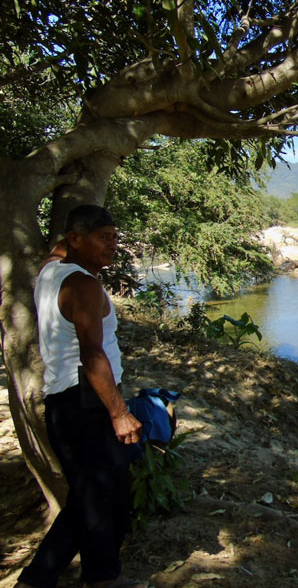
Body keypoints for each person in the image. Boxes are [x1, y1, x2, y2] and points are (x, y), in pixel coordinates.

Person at [16, 205, 146, 588]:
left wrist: (76, 239)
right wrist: (119, 412)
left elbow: (58, 248)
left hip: (61, 401)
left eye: (115, 237)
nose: (113, 246)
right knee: (102, 495)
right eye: (104, 238)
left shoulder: (50, 271)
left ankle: (95, 576)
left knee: (91, 496)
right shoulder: (84, 286)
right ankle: (50, 579)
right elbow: (92, 354)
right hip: (89, 401)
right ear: (75, 239)